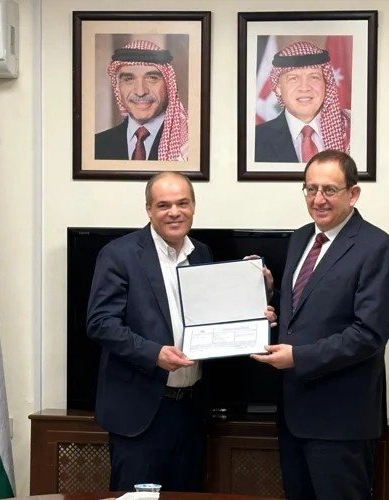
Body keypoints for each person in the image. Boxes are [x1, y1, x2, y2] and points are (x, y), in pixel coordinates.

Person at [87, 171, 276, 492]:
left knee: (188, 494)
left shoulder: (202, 253)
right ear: (149, 209)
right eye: (163, 205)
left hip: (191, 409)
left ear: (193, 206)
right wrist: (154, 354)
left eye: (182, 203)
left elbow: (214, 315)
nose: (174, 212)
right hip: (141, 411)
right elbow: (100, 322)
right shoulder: (119, 254)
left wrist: (257, 307)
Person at [251, 150, 389, 500]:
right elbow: (305, 311)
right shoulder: (300, 238)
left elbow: (369, 334)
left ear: (353, 194)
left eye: (330, 190)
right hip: (294, 413)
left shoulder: (376, 247)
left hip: (341, 420)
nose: (318, 199)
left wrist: (298, 357)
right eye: (311, 189)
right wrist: (271, 300)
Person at [255, 41, 350, 163]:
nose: (304, 88)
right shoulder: (255, 140)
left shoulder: (350, 131)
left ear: (326, 83)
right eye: (293, 79)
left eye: (314, 77)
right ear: (278, 87)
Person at [95, 40, 189, 161]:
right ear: (117, 87)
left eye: (152, 78)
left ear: (168, 85)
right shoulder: (97, 145)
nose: (140, 92)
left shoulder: (188, 145)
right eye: (128, 79)